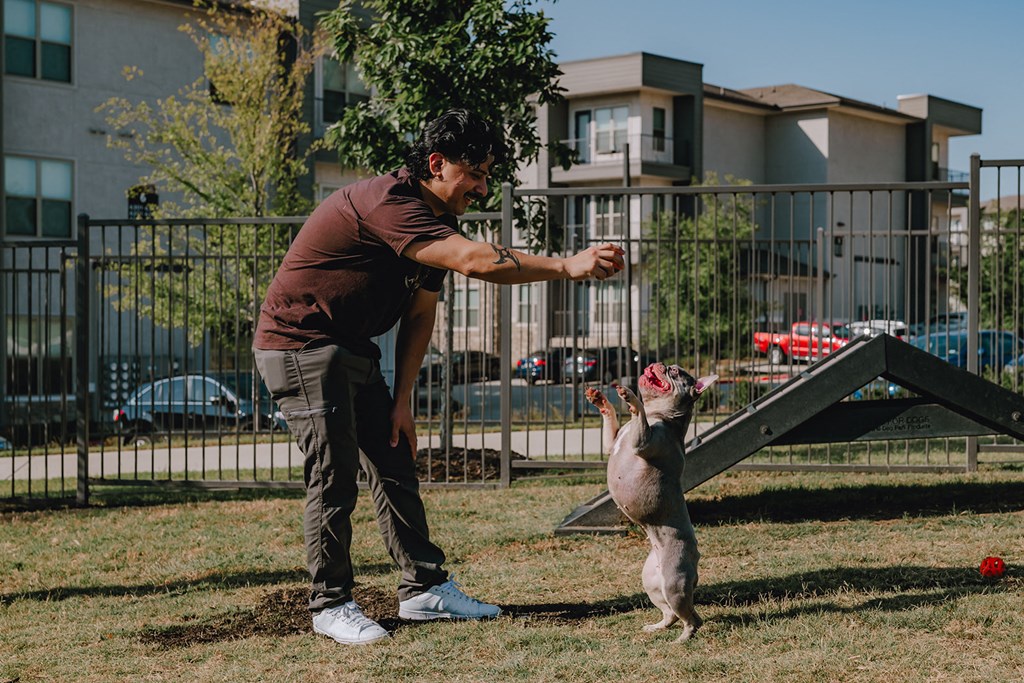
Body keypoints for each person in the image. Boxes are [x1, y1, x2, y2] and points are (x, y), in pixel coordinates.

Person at [252, 108, 625, 645]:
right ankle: (330, 604)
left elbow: (421, 312)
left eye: (487, 173)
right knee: (333, 475)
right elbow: (477, 262)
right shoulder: (390, 203)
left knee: (395, 461)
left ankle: (424, 590)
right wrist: (567, 265)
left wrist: (402, 398)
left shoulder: (437, 224)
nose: (482, 185)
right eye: (474, 171)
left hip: (351, 349)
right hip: (300, 346)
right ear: (436, 163)